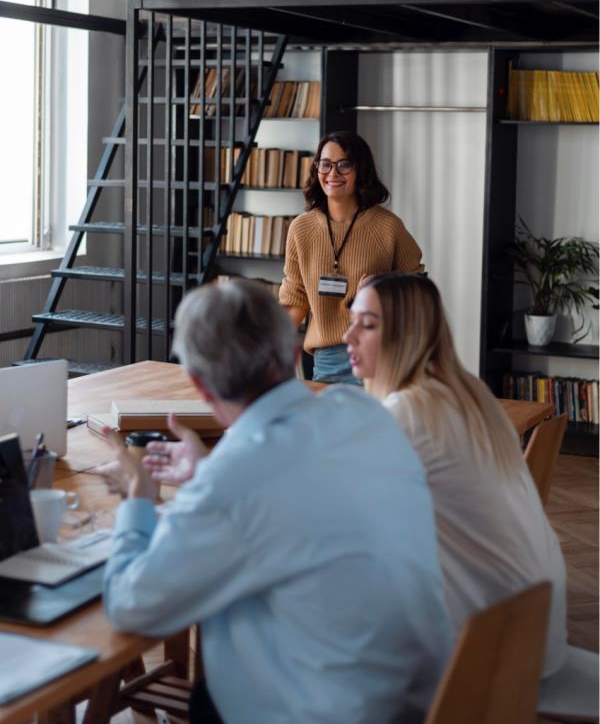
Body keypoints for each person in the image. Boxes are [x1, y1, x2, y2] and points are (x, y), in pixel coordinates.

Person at [102, 279, 452, 724]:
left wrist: (138, 499)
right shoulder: (363, 412)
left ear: (199, 386)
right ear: (292, 353)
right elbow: (289, 502)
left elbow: (131, 606)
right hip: (423, 700)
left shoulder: (234, 480)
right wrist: (210, 471)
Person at [343, 272, 568, 677]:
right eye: (352, 321)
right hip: (535, 628)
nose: (348, 336)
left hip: (488, 654)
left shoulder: (408, 412)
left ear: (406, 335)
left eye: (368, 325)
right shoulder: (467, 394)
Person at [279, 131, 424, 384]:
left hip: (381, 355)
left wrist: (382, 288)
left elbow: (419, 290)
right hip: (328, 361)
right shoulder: (300, 229)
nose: (332, 173)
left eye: (344, 165)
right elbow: (296, 298)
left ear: (361, 170)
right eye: (325, 164)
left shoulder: (388, 227)